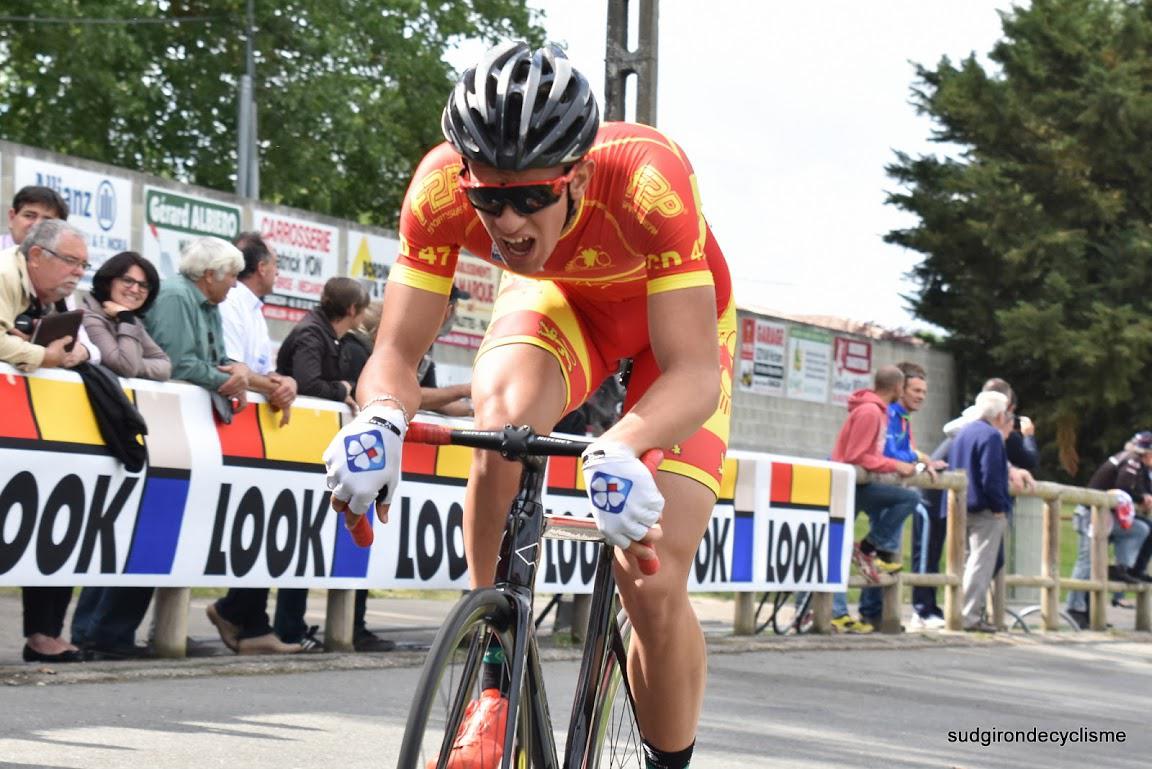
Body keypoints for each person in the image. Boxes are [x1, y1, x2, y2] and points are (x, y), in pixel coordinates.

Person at [324, 42, 734, 769]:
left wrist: (624, 442)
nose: (507, 224)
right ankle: (495, 668)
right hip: (564, 305)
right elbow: (393, 351)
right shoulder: (438, 187)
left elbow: (694, 371)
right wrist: (381, 415)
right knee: (502, 423)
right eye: (489, 198)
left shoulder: (647, 180)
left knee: (654, 578)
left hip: (674, 331)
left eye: (531, 198)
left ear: (575, 175)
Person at [202, 233, 313, 656]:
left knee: (263, 527)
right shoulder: (231, 304)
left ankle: (246, 619)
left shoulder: (252, 308)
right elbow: (233, 369)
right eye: (276, 264)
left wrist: (281, 383)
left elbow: (261, 371)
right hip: (225, 426)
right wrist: (273, 385)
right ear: (262, 267)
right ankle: (237, 614)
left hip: (252, 430)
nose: (278, 272)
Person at [2, 217, 98, 663]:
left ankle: (44, 634)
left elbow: (90, 347)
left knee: (51, 526)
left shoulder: (61, 298)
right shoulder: (4, 274)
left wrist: (76, 353)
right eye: (71, 262)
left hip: (36, 433)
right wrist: (42, 355)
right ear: (36, 256)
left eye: (84, 264)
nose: (78, 272)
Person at [69, 251, 171, 660]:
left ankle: (109, 634)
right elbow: (123, 364)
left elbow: (164, 365)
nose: (134, 290)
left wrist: (129, 329)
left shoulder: (129, 320)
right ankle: (90, 633)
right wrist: (128, 326)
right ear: (108, 280)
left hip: (127, 435)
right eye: (127, 281)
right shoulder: (92, 315)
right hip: (94, 435)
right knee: (104, 537)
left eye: (143, 285)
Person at [263, 276, 370, 651]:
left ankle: (292, 625)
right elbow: (309, 384)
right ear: (353, 310)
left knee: (304, 540)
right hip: (296, 446)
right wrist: (343, 390)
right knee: (296, 539)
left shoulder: (327, 333)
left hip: (311, 448)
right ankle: (287, 627)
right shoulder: (312, 334)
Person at [829, 365, 920, 633]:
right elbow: (857, 456)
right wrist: (895, 465)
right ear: (897, 388)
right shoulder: (870, 411)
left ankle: (867, 548)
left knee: (906, 499)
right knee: (838, 548)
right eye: (904, 387)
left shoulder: (877, 411)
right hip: (849, 485)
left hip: (860, 484)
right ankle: (836, 612)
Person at [143, 236, 249, 408]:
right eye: (233, 276)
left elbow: (219, 362)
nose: (235, 284)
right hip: (158, 407)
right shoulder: (175, 296)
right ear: (209, 275)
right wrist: (232, 381)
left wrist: (239, 370)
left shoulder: (211, 302)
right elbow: (178, 364)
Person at [884, 361, 948, 631]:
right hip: (886, 489)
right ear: (900, 389)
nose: (921, 396)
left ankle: (878, 613)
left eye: (924, 391)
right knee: (887, 552)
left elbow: (908, 449)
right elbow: (889, 450)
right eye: (916, 390)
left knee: (886, 554)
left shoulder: (904, 417)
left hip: (895, 490)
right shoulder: (889, 414)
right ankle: (916, 610)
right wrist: (919, 461)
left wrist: (922, 459)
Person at [343, 286, 474, 418]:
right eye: (453, 306)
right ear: (445, 310)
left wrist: (471, 408)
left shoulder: (425, 347)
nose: (454, 313)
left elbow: (431, 400)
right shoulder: (359, 346)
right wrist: (462, 390)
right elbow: (399, 393)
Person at [1065, 432, 1152, 628]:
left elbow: (1143, 489)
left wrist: (1144, 495)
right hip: (1091, 514)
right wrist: (1141, 498)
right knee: (1087, 562)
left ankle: (1121, 568)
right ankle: (1074, 609)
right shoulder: (1132, 461)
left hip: (1105, 515)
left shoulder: (1139, 464)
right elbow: (1123, 487)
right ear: (1147, 453)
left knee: (1139, 529)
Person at [948, 390, 1014, 632]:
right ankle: (969, 617)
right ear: (998, 415)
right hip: (984, 508)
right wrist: (999, 507)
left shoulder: (963, 433)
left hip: (960, 507)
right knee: (980, 564)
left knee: (964, 563)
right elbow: (991, 477)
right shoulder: (992, 436)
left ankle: (956, 612)